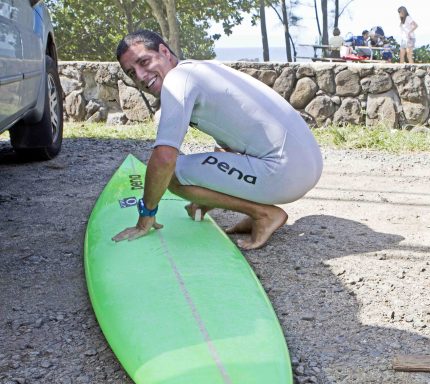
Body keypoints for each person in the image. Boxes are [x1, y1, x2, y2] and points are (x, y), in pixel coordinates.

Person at [112, 30, 323, 249]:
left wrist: (146, 215)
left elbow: (164, 158)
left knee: (173, 175)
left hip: (287, 173)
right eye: (132, 73)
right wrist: (205, 198)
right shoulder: (200, 69)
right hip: (305, 166)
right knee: (188, 168)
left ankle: (264, 214)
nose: (141, 76)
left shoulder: (177, 80)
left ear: (164, 51)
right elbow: (229, 146)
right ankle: (257, 212)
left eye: (144, 62)